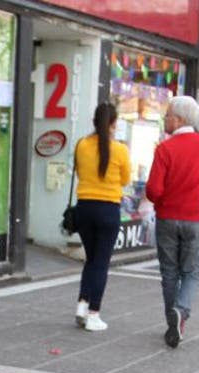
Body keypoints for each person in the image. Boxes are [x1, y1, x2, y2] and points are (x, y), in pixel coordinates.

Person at [145, 95, 199, 348]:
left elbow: (153, 190)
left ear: (179, 119)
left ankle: (172, 318)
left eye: (168, 115)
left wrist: (161, 202)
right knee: (192, 271)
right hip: (196, 218)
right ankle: (181, 313)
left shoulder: (165, 149)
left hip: (168, 218)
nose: (165, 119)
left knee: (169, 271)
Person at [72, 103, 131, 332]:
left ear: (94, 121)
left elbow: (78, 172)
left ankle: (82, 304)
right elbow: (125, 179)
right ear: (114, 124)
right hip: (108, 210)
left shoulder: (82, 145)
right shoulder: (120, 150)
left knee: (91, 258)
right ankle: (94, 314)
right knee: (101, 263)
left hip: (84, 207)